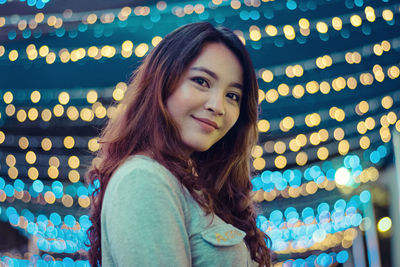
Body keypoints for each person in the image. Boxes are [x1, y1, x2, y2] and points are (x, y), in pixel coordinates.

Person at [86, 22, 271, 266]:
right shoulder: (144, 178)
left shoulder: (194, 186)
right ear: (162, 81)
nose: (218, 106)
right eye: (202, 81)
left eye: (232, 96)